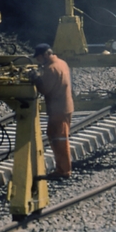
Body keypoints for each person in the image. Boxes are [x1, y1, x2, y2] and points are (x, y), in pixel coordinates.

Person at [32, 43, 74, 177]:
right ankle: (61, 168)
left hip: (58, 110)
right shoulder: (62, 63)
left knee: (60, 141)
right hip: (65, 106)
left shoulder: (51, 68)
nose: (38, 60)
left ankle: (64, 171)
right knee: (55, 137)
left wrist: (36, 79)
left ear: (45, 55)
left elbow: (45, 89)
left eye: (38, 57)